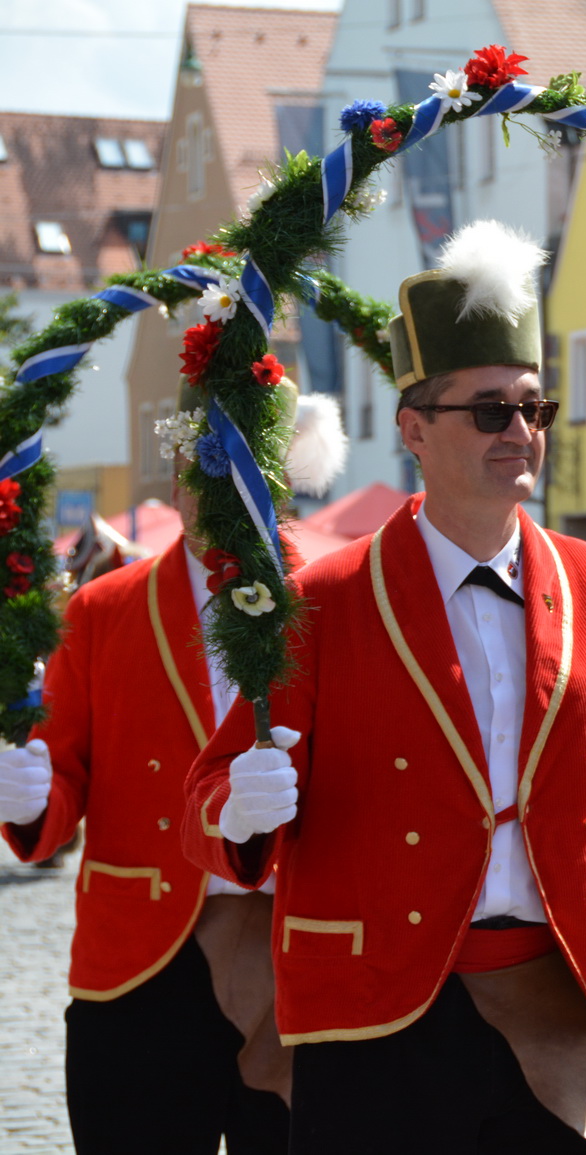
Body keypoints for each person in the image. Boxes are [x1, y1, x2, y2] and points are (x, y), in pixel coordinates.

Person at [181, 221, 586, 1155]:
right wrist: (238, 807)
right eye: (490, 411)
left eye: (534, 410)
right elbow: (209, 793)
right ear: (415, 429)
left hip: (563, 995)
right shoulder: (320, 604)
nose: (521, 433)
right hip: (375, 1012)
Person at [0, 376, 343, 1154]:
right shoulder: (104, 609)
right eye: (194, 461)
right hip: (141, 963)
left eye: (234, 463)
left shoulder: (338, 594)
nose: (207, 485)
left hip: (300, 957)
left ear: (279, 474)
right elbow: (64, 785)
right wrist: (27, 798)